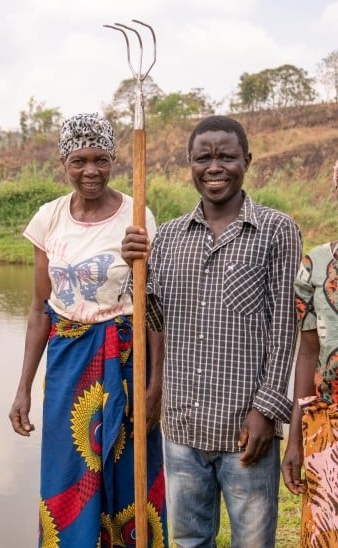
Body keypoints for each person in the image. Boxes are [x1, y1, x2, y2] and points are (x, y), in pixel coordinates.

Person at [121, 115, 302, 547]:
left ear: (247, 160)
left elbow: (284, 329)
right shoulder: (166, 238)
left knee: (252, 542)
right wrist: (135, 271)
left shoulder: (277, 231)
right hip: (182, 425)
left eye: (226, 156)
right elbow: (154, 321)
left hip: (245, 427)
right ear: (190, 164)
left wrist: (267, 409)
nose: (214, 167)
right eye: (204, 157)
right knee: (187, 540)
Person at [9, 112, 168, 547]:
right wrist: (23, 387)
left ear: (114, 158)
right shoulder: (49, 218)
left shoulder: (136, 215)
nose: (90, 171)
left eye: (100, 159)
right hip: (67, 364)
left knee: (128, 472)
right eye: (79, 160)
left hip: (125, 360)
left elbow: (151, 305)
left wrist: (154, 384)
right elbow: (41, 309)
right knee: (67, 473)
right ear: (64, 162)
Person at [281, 238, 338, 546]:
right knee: (326, 535)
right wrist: (296, 442)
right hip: (328, 427)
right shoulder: (315, 265)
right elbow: (308, 352)